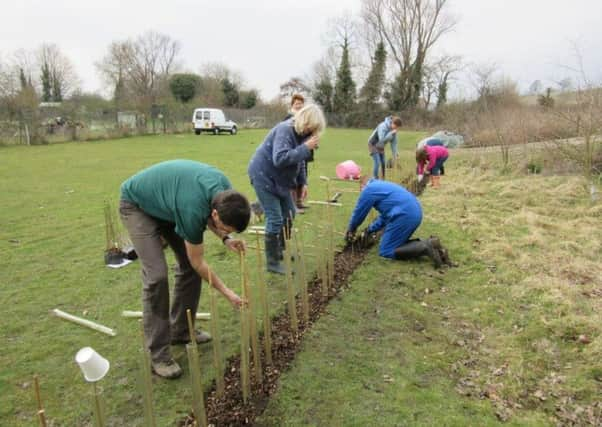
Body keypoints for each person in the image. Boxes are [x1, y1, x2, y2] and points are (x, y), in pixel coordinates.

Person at [119, 160, 250, 379]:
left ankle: (180, 331)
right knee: (157, 276)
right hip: (137, 206)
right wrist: (228, 293)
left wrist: (226, 238)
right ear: (216, 215)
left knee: (188, 267)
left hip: (169, 206)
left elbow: (210, 218)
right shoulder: (192, 208)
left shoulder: (225, 193)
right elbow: (198, 261)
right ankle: (159, 355)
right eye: (225, 228)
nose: (225, 231)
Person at [248, 104, 326, 274]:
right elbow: (280, 158)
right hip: (263, 175)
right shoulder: (285, 130)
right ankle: (272, 262)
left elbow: (301, 161)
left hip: (281, 179)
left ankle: (280, 250)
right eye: (312, 127)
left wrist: (302, 183)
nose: (312, 132)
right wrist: (305, 148)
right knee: (275, 218)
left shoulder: (302, 135)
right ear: (305, 121)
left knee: (289, 213)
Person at [345, 177, 442, 266]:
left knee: (386, 250)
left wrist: (351, 229)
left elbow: (359, 212)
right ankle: (430, 243)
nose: (361, 192)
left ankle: (424, 247)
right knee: (396, 243)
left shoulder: (369, 190)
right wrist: (370, 229)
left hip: (405, 216)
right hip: (413, 213)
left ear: (363, 186)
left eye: (361, 190)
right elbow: (385, 216)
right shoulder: (380, 186)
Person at [284, 94, 312, 213]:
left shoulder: (305, 118)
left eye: (301, 103)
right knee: (293, 178)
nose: (299, 105)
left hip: (304, 151)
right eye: (297, 104)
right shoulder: (288, 118)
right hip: (293, 152)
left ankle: (299, 202)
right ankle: (292, 205)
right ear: (292, 105)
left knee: (302, 176)